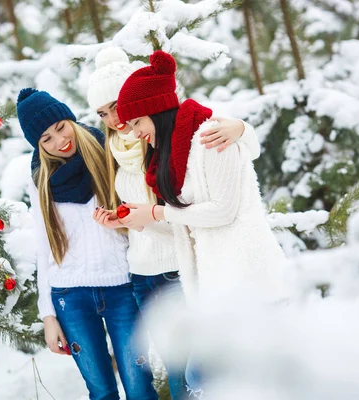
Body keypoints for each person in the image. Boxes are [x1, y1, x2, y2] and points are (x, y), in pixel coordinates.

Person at [87, 47, 262, 399]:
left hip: (183, 267)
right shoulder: (116, 149)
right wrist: (127, 221)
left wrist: (243, 129)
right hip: (145, 271)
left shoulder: (173, 139)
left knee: (201, 371)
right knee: (182, 372)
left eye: (116, 108)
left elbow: (221, 182)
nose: (114, 120)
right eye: (103, 113)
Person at [116, 49, 287, 308]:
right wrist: (141, 221)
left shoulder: (209, 138)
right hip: (215, 291)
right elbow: (187, 232)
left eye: (137, 122)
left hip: (251, 283)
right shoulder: (169, 158)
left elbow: (222, 212)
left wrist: (157, 212)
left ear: (158, 109)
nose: (135, 133)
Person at [16, 87, 158, 400]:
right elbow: (45, 246)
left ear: (70, 119)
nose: (59, 141)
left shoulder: (108, 151)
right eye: (46, 139)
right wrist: (48, 316)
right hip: (70, 295)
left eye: (60, 127)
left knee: (139, 389)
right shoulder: (40, 179)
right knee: (101, 392)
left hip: (122, 286)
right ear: (37, 145)